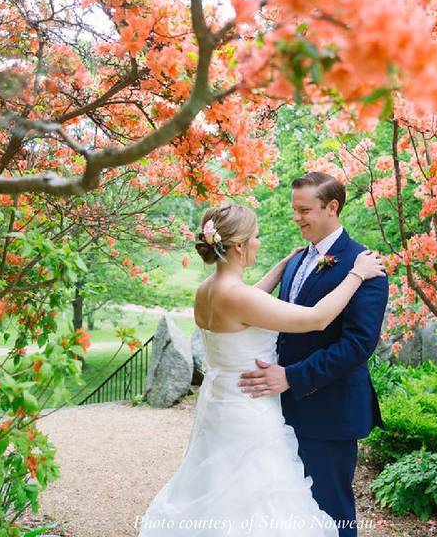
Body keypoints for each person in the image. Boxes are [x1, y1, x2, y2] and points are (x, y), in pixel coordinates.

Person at [137, 203, 386, 537]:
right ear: (239, 246)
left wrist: (282, 267)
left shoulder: (206, 291)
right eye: (255, 237)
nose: (258, 242)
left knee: (220, 495)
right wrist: (357, 273)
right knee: (258, 505)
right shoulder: (240, 298)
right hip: (249, 411)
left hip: (220, 404)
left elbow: (249, 301)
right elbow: (318, 318)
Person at [237, 172, 390, 537]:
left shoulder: (366, 266)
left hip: (329, 412)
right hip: (280, 410)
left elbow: (356, 346)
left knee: (331, 511)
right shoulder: (294, 261)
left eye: (304, 209)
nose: (296, 217)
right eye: (294, 209)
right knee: (292, 513)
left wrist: (291, 376)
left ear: (332, 208)